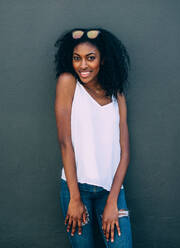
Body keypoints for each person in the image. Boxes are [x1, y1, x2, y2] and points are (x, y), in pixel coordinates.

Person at [54, 28, 132, 248]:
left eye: (90, 58)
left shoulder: (117, 94)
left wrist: (112, 201)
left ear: (103, 60)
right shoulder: (68, 83)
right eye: (76, 58)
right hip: (76, 189)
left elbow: (124, 151)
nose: (83, 65)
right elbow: (65, 143)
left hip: (112, 190)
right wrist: (75, 198)